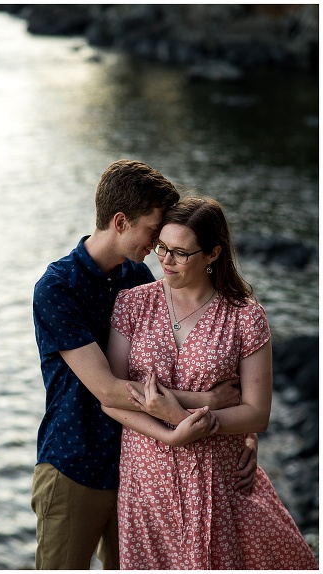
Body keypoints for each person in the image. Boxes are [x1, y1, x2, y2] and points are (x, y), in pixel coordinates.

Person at [31, 160, 258, 569]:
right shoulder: (57, 288)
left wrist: (243, 435)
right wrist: (208, 401)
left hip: (140, 469)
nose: (160, 246)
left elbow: (191, 358)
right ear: (120, 222)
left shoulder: (135, 278)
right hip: (75, 464)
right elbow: (109, 388)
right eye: (153, 231)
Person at [102, 196, 317, 569]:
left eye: (181, 253)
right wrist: (196, 408)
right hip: (146, 481)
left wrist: (198, 422)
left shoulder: (246, 318)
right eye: (162, 247)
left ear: (213, 254)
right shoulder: (131, 304)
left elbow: (256, 413)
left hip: (217, 481)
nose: (165, 261)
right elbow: (111, 397)